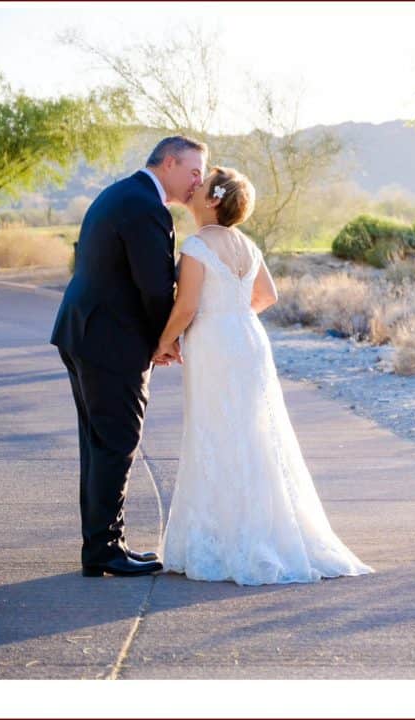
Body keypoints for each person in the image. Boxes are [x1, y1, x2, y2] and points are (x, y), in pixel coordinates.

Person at [156, 166, 373, 585]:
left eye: (202, 186)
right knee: (255, 434)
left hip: (214, 343)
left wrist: (165, 341)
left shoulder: (198, 245)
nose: (195, 188)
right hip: (248, 339)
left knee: (214, 430)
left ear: (213, 200)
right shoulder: (247, 245)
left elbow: (185, 308)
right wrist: (234, 317)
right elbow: (266, 296)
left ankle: (222, 537)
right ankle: (267, 531)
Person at [50, 136, 207, 577]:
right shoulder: (144, 206)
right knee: (116, 443)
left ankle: (103, 545)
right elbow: (155, 287)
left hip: (85, 333)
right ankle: (104, 549)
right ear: (171, 162)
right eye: (194, 170)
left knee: (100, 443)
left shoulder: (123, 192)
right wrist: (166, 341)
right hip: (110, 341)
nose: (198, 181)